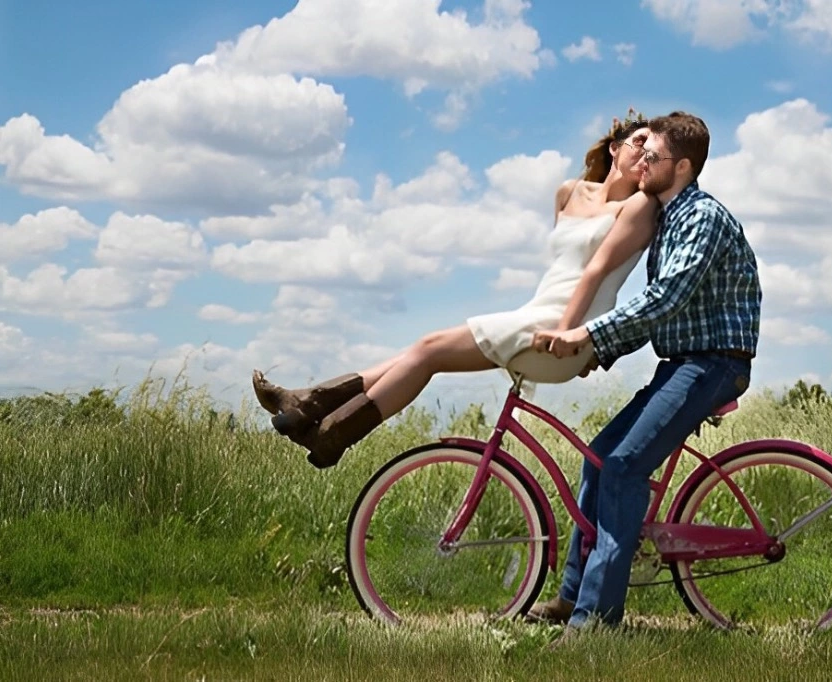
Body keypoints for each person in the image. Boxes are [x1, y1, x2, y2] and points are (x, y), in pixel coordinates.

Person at [250, 111, 659, 469]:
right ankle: (312, 406)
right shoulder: (568, 193)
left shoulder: (638, 207)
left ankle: (329, 429)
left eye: (654, 154)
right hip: (539, 313)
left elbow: (595, 274)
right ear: (615, 147)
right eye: (639, 143)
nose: (644, 156)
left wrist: (573, 335)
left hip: (564, 329)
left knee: (428, 351)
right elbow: (561, 271)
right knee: (422, 350)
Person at [525, 111, 762, 633]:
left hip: (712, 364)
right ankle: (571, 597)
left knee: (624, 468)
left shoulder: (700, 217)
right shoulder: (668, 218)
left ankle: (595, 621)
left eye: (650, 156)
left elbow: (665, 298)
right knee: (598, 460)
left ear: (679, 166)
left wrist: (588, 335)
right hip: (681, 363)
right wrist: (597, 353)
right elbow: (661, 312)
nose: (641, 165)